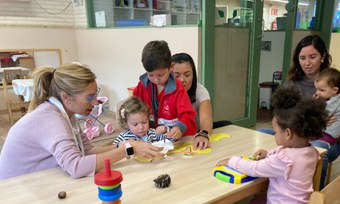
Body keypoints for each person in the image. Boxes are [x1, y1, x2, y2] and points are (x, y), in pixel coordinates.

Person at [0, 63, 162, 180]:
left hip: (35, 181)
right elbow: (76, 167)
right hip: (16, 189)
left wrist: (120, 145)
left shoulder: (67, 114)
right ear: (66, 97)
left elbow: (87, 150)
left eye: (95, 94)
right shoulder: (50, 119)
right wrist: (128, 149)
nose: (95, 102)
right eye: (90, 97)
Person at [258, 34, 340, 189]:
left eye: (312, 57)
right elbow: (281, 113)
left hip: (325, 140)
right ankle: (270, 186)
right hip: (294, 136)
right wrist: (315, 120)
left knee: (317, 151)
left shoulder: (335, 80)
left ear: (323, 56)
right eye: (302, 58)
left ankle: (313, 198)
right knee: (261, 133)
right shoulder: (292, 83)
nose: (307, 63)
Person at [132, 40, 197, 142]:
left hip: (178, 139)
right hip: (154, 139)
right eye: (151, 75)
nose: (156, 80)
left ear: (171, 67)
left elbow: (187, 114)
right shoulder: (143, 86)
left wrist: (179, 127)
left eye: (160, 75)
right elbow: (133, 105)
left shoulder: (177, 88)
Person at [171, 52, 232, 150]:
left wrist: (203, 134)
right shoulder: (163, 91)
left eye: (187, 75)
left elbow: (205, 118)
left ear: (193, 75)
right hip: (172, 139)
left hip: (192, 137)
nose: (182, 80)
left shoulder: (200, 91)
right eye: (176, 75)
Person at [313, 68, 340, 189]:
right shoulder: (331, 97)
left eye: (321, 90)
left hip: (328, 139)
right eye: (317, 89)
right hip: (321, 134)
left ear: (334, 90)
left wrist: (314, 104)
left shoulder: (334, 102)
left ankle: (319, 188)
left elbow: (317, 115)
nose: (318, 92)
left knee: (317, 151)